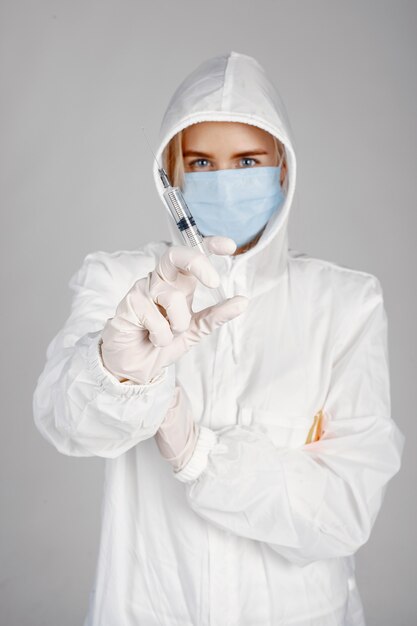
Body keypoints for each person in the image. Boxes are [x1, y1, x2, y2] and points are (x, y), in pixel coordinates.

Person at [33, 51, 405, 626]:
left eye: (248, 160)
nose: (225, 181)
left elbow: (343, 513)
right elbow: (65, 423)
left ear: (283, 169)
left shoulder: (344, 305)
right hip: (147, 609)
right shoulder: (121, 282)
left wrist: (197, 454)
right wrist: (121, 370)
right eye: (201, 163)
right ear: (172, 177)